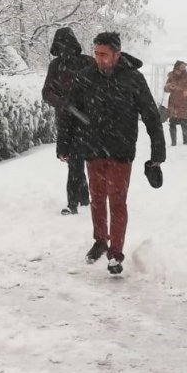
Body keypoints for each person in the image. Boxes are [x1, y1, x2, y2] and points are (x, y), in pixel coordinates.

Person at [57, 32, 166, 274]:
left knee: (117, 201)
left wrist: (158, 153)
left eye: (103, 54)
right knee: (97, 199)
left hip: (120, 150)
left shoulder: (133, 79)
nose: (98, 58)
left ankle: (116, 253)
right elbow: (70, 111)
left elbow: (150, 116)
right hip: (92, 148)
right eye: (96, 53)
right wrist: (63, 145)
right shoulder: (85, 77)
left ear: (117, 54)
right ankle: (100, 241)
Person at [42, 27, 92, 215]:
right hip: (66, 119)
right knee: (73, 160)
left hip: (83, 118)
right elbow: (46, 92)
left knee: (75, 159)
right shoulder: (56, 66)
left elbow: (98, 87)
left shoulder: (86, 62)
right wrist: (62, 103)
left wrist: (84, 104)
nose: (65, 50)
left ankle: (73, 203)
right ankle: (84, 197)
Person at [163, 60, 187, 146]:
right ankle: (173, 142)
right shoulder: (171, 76)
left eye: (184, 67)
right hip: (173, 103)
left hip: (184, 103)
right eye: (182, 66)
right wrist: (169, 86)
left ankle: (185, 141)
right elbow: (165, 88)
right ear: (177, 67)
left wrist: (186, 91)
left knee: (184, 122)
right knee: (172, 122)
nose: (184, 68)